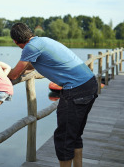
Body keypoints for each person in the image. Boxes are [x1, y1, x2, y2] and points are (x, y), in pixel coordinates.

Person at [8, 23, 98, 167]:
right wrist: (23, 70)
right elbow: (29, 66)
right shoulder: (42, 41)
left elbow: (14, 75)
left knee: (64, 138)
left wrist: (0, 76)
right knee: (74, 134)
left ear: (15, 41)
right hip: (90, 83)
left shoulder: (29, 47)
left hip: (76, 89)